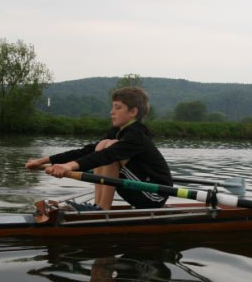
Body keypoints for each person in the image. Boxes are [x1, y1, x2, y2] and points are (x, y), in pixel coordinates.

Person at [25, 86, 171, 210]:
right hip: (138, 188)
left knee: (109, 148)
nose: (111, 112)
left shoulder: (137, 135)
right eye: (112, 107)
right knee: (102, 145)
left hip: (154, 195)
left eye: (118, 107)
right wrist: (42, 161)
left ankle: (101, 209)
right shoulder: (117, 132)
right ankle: (98, 205)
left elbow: (107, 155)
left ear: (133, 112)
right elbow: (86, 151)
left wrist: (68, 166)